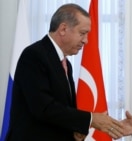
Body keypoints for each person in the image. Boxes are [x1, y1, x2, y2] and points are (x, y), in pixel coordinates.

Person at [5, 3, 124, 141]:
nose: (86, 41)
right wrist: (91, 119)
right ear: (63, 29)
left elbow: (62, 110)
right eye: (82, 33)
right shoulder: (34, 55)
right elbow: (44, 108)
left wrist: (75, 131)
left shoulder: (66, 64)